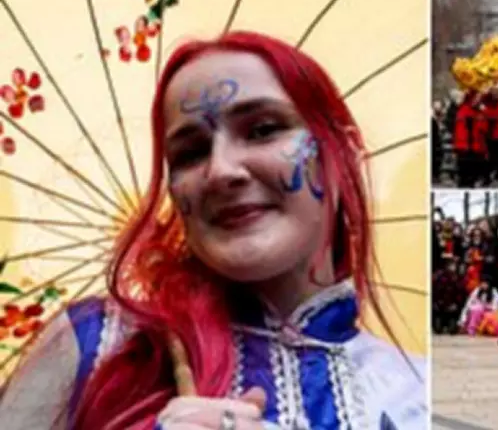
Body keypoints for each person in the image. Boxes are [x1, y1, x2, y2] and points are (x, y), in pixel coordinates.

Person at [0, 32, 427, 429]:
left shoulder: (415, 395)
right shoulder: (97, 346)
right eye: (190, 153)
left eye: (263, 130)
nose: (220, 170)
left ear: (343, 153)